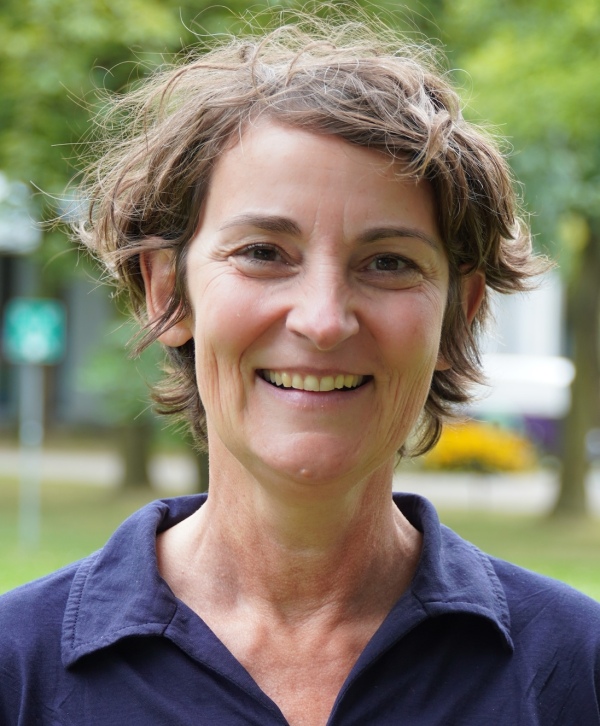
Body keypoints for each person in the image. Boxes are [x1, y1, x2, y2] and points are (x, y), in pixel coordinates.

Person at [1, 15, 599, 726]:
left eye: (388, 263)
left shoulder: (575, 669)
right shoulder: (18, 670)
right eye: (262, 251)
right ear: (167, 291)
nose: (322, 320)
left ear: (459, 314)